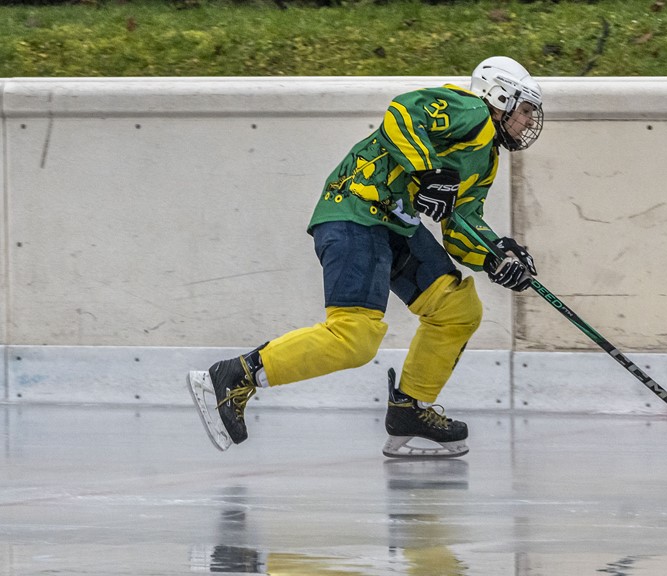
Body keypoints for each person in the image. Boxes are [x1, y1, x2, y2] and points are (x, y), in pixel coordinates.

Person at [187, 56, 543, 458]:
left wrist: (496, 255)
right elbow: (403, 113)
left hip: (395, 225)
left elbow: (462, 223)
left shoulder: (487, 158)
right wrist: (428, 172)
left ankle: (410, 409)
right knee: (354, 338)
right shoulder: (471, 110)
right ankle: (236, 374)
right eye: (525, 109)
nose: (529, 121)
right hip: (357, 210)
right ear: (499, 98)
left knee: (457, 308)